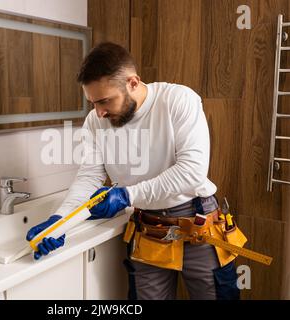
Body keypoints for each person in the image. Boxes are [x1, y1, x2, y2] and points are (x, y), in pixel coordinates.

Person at [26, 42, 240, 300]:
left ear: (133, 83)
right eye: (92, 103)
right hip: (148, 227)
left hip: (197, 221)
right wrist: (59, 222)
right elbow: (89, 178)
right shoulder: (95, 121)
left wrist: (126, 196)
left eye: (105, 101)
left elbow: (191, 171)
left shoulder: (178, 100)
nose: (99, 112)